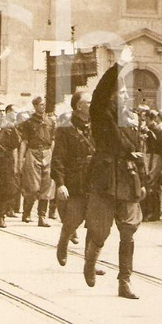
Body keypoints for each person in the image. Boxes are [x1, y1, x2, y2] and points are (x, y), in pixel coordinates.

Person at [82, 46, 147, 299]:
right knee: (100, 231)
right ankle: (90, 261)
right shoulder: (100, 113)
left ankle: (124, 281)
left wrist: (142, 179)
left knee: (129, 231)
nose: (125, 96)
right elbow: (99, 94)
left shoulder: (130, 119)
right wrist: (118, 66)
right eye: (119, 92)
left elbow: (137, 152)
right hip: (106, 177)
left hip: (128, 179)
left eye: (125, 92)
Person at [52, 92, 98, 267]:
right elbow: (58, 158)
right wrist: (61, 183)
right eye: (89, 102)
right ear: (79, 106)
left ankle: (90, 262)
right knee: (73, 219)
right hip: (75, 180)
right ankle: (63, 242)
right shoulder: (66, 127)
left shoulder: (97, 125)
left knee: (95, 223)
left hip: (95, 179)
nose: (93, 105)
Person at [18, 96, 57, 226]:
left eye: (44, 104)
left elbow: (52, 141)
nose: (43, 106)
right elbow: (24, 142)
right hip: (33, 153)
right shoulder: (28, 123)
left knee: (47, 185)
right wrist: (20, 160)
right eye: (41, 104)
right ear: (35, 106)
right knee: (33, 187)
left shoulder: (51, 122)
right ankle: (27, 212)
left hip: (47, 153)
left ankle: (42, 216)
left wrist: (53, 155)